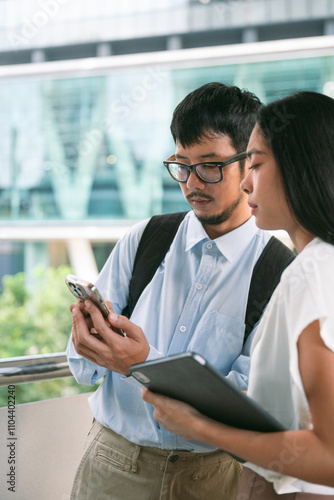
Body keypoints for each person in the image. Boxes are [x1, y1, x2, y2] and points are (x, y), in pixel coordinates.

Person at [66, 82, 292, 500]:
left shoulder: (280, 271)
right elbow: (84, 370)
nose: (191, 183)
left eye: (210, 165)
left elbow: (247, 403)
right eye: (181, 165)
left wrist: (140, 362)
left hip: (212, 479)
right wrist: (87, 344)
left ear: (250, 164)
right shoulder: (145, 239)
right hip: (113, 464)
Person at [142, 91, 334, 499]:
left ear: (302, 167)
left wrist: (200, 427)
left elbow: (330, 454)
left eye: (257, 163)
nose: (246, 180)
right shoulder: (319, 267)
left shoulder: (310, 276)